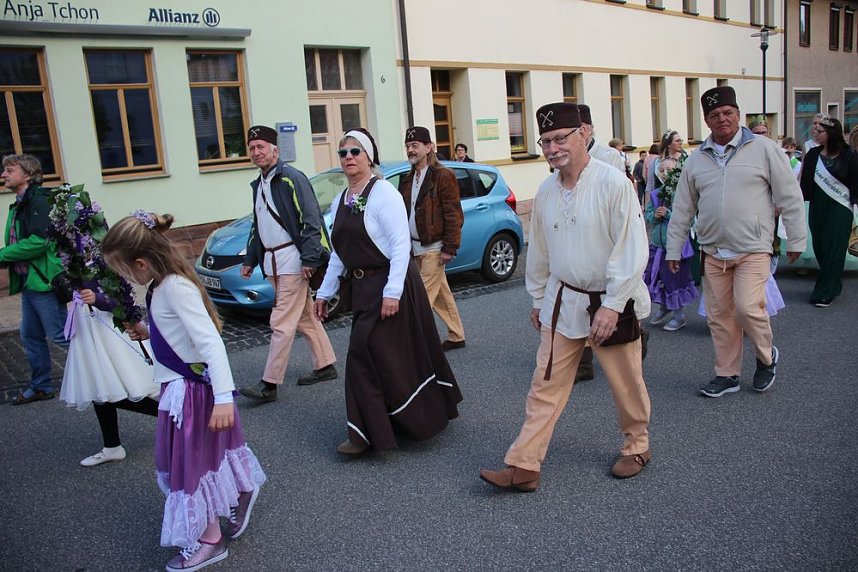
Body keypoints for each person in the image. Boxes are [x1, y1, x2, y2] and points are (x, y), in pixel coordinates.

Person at [479, 102, 652, 491]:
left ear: (583, 135)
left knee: (627, 382)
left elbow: (631, 248)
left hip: (611, 301)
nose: (553, 148)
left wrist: (612, 305)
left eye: (561, 138)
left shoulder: (613, 183)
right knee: (545, 384)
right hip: (562, 301)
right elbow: (539, 250)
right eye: (546, 141)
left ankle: (637, 445)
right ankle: (524, 465)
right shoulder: (545, 190)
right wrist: (538, 298)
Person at [102, 212, 266, 572]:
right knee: (202, 459)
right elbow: (179, 334)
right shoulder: (161, 285)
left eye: (124, 271)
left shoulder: (175, 287)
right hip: (180, 389)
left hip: (190, 393)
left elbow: (211, 344)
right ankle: (239, 490)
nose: (124, 278)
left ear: (141, 263)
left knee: (190, 468)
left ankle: (211, 540)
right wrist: (149, 331)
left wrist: (224, 398)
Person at [313, 128, 462, 457]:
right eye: (343, 153)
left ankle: (365, 434)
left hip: (392, 285)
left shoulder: (384, 195)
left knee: (362, 356)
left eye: (356, 151)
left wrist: (392, 294)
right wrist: (323, 293)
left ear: (369, 158)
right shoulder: (341, 200)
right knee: (388, 359)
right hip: (363, 289)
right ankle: (387, 423)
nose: (348, 157)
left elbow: (399, 248)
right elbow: (339, 253)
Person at [666, 86, 806, 398]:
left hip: (753, 248)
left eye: (728, 113)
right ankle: (727, 374)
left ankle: (766, 357)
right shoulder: (696, 160)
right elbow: (683, 208)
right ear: (707, 120)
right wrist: (674, 249)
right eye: (714, 115)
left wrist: (796, 238)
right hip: (713, 251)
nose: (722, 119)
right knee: (719, 317)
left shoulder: (764, 149)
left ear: (738, 114)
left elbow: (789, 195)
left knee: (747, 308)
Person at [50, 188, 160, 467]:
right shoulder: (70, 253)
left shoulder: (103, 249)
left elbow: (122, 294)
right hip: (86, 326)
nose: (70, 231)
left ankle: (173, 416)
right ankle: (112, 445)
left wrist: (97, 298)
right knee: (98, 385)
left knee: (119, 386)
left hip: (106, 325)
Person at [239, 125, 337, 403]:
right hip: (272, 262)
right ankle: (325, 364)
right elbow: (258, 226)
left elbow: (311, 220)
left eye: (261, 147)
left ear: (275, 150)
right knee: (304, 317)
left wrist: (309, 259)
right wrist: (250, 258)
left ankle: (269, 384)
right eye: (252, 148)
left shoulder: (292, 178)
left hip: (293, 262)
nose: (256, 152)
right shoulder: (259, 184)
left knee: (281, 320)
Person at [0, 154, 69, 405]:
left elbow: (40, 241)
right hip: (31, 283)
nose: (3, 174)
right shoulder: (19, 204)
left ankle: (100, 375)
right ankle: (41, 385)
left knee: (61, 335)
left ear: (28, 174)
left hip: (44, 283)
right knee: (30, 335)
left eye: (10, 170)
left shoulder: (38, 201)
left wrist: (2, 256)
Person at [572, 104, 629, 383]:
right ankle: (583, 363)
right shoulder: (566, 156)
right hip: (578, 237)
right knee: (579, 300)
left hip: (607, 236)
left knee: (618, 294)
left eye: (582, 128)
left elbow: (620, 196)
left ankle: (637, 332)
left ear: (590, 129)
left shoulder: (609, 157)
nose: (579, 134)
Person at [399, 126, 467, 351]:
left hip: (435, 249)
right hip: (416, 248)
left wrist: (450, 247)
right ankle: (457, 335)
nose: (410, 150)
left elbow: (453, 214)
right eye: (408, 146)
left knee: (420, 299)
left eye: (415, 146)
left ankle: (411, 346)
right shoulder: (408, 179)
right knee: (441, 296)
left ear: (429, 148)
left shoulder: (443, 176)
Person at [799, 116, 858, 307]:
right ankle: (833, 283)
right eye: (815, 129)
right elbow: (804, 181)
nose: (815, 132)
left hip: (840, 207)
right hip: (818, 206)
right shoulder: (813, 154)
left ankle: (823, 292)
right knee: (821, 247)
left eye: (820, 130)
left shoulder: (848, 154)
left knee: (834, 248)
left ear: (831, 133)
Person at [644, 130, 697, 332]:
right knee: (659, 277)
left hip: (675, 245)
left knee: (675, 278)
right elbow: (649, 213)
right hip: (658, 244)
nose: (665, 174)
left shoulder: (680, 195)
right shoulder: (657, 194)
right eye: (663, 171)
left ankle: (678, 314)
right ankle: (664, 307)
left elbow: (686, 218)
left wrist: (666, 214)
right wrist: (654, 215)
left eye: (669, 171)